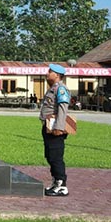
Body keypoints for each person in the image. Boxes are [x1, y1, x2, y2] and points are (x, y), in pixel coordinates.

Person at [40, 64, 71, 197]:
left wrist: (59, 127)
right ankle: (55, 182)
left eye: (50, 72)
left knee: (56, 156)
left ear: (57, 75)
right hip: (48, 127)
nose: (47, 74)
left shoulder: (61, 89)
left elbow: (63, 109)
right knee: (50, 155)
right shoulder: (52, 88)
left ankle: (61, 185)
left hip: (55, 128)